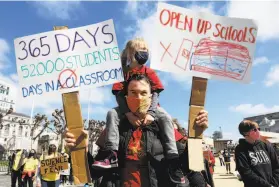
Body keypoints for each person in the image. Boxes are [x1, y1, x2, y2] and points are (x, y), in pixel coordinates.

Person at [92, 38, 207, 185]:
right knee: (111, 114)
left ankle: (172, 160)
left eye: (146, 50)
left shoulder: (149, 72)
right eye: (133, 92)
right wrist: (128, 113)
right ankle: (111, 155)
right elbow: (119, 95)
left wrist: (196, 133)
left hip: (153, 112)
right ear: (129, 53)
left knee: (165, 116)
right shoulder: (121, 74)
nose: (143, 53)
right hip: (124, 115)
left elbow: (156, 93)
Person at [65, 74, 208, 187]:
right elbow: (94, 173)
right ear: (125, 97)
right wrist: (78, 149)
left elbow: (186, 165)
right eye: (133, 93)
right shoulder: (115, 131)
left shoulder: (164, 128)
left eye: (143, 93)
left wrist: (197, 134)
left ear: (151, 97)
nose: (138, 98)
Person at [235, 120, 279, 187]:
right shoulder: (240, 149)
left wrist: (274, 183)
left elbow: (276, 166)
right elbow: (246, 173)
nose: (258, 131)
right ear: (245, 133)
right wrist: (267, 186)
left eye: (258, 129)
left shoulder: (266, 145)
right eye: (254, 130)